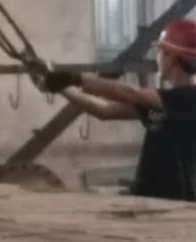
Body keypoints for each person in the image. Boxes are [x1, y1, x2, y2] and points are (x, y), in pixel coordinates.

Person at [32, 17, 196, 202]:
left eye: (159, 51)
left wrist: (75, 79)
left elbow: (130, 93)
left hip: (175, 202)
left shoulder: (189, 99)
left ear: (171, 56)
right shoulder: (162, 103)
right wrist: (60, 86)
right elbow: (104, 110)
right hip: (148, 198)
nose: (157, 57)